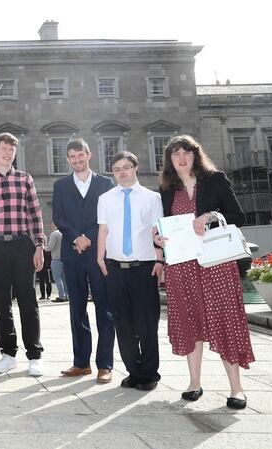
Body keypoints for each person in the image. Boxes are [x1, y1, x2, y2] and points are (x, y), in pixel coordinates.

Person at [156, 135, 254, 409]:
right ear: (170, 161)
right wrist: (159, 238)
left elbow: (238, 217)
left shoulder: (215, 179)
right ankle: (194, 383)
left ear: (195, 155)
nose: (181, 157)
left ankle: (236, 388)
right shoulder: (166, 190)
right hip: (183, 267)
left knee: (225, 320)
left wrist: (210, 217)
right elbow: (164, 227)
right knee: (191, 321)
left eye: (186, 152)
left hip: (216, 265)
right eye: (175, 154)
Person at [0, 132, 45, 376]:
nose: (8, 153)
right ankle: (8, 354)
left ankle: (34, 355)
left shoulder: (25, 179)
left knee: (28, 301)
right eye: (4, 148)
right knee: (1, 304)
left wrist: (39, 245)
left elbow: (36, 214)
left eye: (12, 150)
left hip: (22, 246)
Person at [96, 151, 163, 391]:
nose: (122, 172)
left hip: (144, 267)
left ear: (135, 167)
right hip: (115, 268)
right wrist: (99, 258)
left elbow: (158, 231)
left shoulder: (152, 198)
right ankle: (134, 371)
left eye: (126, 167)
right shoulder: (105, 198)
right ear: (112, 173)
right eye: (117, 169)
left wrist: (160, 261)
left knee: (146, 324)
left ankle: (149, 373)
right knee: (123, 325)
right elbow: (103, 230)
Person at [52, 138, 116, 384]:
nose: (77, 160)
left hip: (99, 255)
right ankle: (81, 363)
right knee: (76, 309)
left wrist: (88, 237)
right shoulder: (60, 185)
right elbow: (58, 217)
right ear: (67, 159)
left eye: (80, 155)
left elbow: (107, 217)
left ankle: (105, 365)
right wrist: (75, 238)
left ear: (88, 155)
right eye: (72, 157)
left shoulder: (105, 183)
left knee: (104, 308)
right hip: (72, 254)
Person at [46, 224, 69, 303]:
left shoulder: (54, 234)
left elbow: (50, 247)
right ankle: (67, 295)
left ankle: (61, 296)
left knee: (57, 278)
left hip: (56, 258)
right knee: (64, 278)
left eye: (52, 224)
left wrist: (43, 247)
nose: (51, 225)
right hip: (64, 258)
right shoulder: (63, 233)